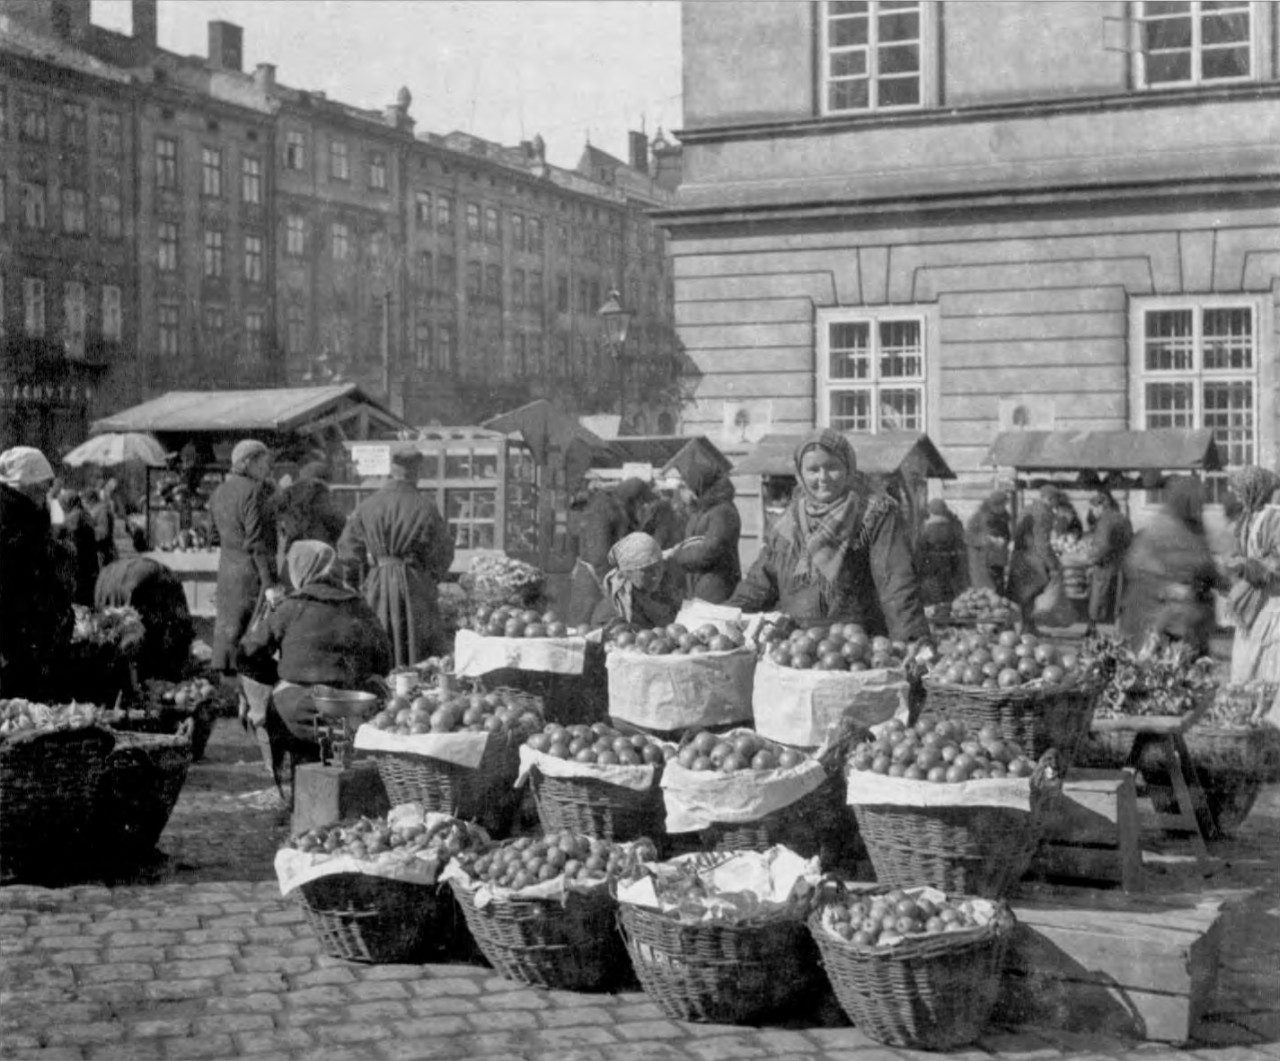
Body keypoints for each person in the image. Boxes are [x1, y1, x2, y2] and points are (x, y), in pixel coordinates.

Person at [726, 429, 928, 641]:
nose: (823, 478)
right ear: (800, 474)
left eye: (832, 467)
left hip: (857, 648)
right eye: (813, 470)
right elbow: (759, 585)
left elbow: (896, 586)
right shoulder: (788, 522)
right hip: (797, 647)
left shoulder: (874, 515)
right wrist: (718, 618)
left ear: (848, 467)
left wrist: (913, 642)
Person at [239, 540, 393, 783]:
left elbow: (246, 655)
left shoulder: (290, 607)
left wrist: (279, 676)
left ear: (300, 570)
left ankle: (296, 790)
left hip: (300, 712)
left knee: (281, 708)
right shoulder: (359, 606)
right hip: (353, 711)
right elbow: (384, 661)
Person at [338, 448, 454, 666]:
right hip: (415, 586)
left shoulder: (367, 505)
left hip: (377, 586)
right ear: (416, 473)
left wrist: (355, 584)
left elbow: (348, 552)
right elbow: (444, 552)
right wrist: (429, 578)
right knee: (418, 649)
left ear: (391, 471)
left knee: (377, 642)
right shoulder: (426, 507)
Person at [1118, 477, 1226, 658]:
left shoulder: (1196, 529)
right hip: (1157, 619)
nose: (1199, 507)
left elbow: (1206, 566)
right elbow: (1137, 565)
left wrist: (1221, 579)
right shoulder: (1159, 528)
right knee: (1157, 671)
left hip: (1192, 620)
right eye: (1195, 502)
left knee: (1190, 671)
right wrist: (1168, 587)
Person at [0, 447, 74, 698]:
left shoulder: (30, 516)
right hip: (14, 643)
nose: (46, 491)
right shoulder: (11, 520)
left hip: (31, 640)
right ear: (24, 484)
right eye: (42, 485)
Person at [209, 439, 280, 673]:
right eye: (263, 464)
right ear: (247, 463)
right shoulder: (255, 492)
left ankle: (227, 694)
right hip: (251, 574)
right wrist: (269, 584)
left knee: (227, 634)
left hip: (227, 571)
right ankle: (249, 698)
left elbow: (213, 535)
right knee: (251, 636)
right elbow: (257, 543)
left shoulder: (219, 491)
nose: (266, 469)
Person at [566, 477, 656, 627]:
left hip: (605, 576)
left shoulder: (620, 508)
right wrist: (613, 584)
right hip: (593, 579)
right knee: (584, 629)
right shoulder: (602, 509)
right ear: (635, 500)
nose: (644, 506)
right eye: (642, 502)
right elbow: (599, 555)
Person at [95, 556, 195, 681]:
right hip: (133, 580)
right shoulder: (168, 594)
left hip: (111, 577)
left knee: (120, 633)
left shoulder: (167, 593)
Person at [1226, 466, 1280, 684]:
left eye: (1239, 490)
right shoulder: (1247, 518)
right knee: (1244, 663)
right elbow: (1240, 551)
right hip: (1252, 600)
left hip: (1271, 601)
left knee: (1265, 664)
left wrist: (1250, 566)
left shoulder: (1274, 519)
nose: (1236, 495)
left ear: (1253, 489)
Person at [668, 465, 740, 604]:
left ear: (697, 486)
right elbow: (693, 541)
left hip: (715, 588)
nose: (681, 493)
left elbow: (710, 550)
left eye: (684, 487)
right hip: (697, 584)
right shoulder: (701, 510)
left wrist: (676, 555)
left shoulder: (722, 512)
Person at [590, 532, 684, 629]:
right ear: (628, 572)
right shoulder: (613, 610)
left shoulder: (661, 596)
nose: (656, 575)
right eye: (647, 571)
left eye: (659, 567)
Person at [274, 460, 347, 580]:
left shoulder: (289, 494)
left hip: (294, 555)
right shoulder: (319, 494)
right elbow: (337, 521)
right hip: (320, 554)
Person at [1007, 483, 1062, 634]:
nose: (1057, 503)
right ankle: (1027, 629)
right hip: (1033, 560)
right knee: (1029, 595)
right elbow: (1042, 543)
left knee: (1025, 595)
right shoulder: (1044, 513)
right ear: (1050, 499)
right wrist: (1053, 564)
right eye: (1056, 499)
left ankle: (1028, 627)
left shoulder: (1028, 508)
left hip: (1021, 556)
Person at [1082, 490, 1132, 636]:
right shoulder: (1122, 518)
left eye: (1093, 509)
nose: (1093, 512)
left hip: (1106, 565)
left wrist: (1092, 558)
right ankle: (1119, 629)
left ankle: (1092, 628)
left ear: (1100, 507)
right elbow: (1129, 538)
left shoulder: (1105, 521)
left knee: (1098, 594)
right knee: (1120, 597)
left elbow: (1102, 545)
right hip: (1122, 562)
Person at [916, 498, 968, 606]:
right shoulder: (953, 527)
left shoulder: (925, 528)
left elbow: (920, 550)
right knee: (948, 596)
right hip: (949, 567)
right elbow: (960, 547)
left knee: (933, 598)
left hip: (931, 568)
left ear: (930, 510)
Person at [54, 490, 100, 606]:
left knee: (79, 600)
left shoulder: (76, 515)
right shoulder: (84, 513)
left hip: (81, 565)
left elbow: (59, 531)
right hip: (89, 563)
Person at [965, 490, 1011, 592]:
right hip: (983, 562)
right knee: (986, 594)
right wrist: (986, 539)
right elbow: (968, 536)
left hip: (999, 560)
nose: (1003, 507)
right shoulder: (978, 517)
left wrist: (1003, 541)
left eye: (1005, 504)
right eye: (1001, 505)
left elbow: (1007, 536)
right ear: (994, 505)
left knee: (998, 593)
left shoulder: (1004, 518)